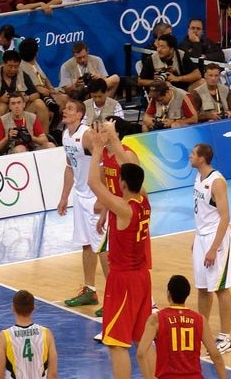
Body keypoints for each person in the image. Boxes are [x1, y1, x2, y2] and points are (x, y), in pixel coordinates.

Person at [86, 153, 152, 379]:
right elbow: (131, 172)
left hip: (124, 279)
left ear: (122, 183)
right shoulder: (144, 200)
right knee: (143, 338)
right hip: (142, 276)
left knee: (116, 343)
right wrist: (114, 141)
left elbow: (93, 183)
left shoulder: (124, 209)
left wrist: (96, 150)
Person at [189, 143, 231, 355]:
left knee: (220, 287)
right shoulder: (198, 178)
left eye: (193, 154)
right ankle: (203, 330)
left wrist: (213, 247)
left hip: (215, 239)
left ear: (202, 158)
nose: (190, 157)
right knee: (202, 287)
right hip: (201, 237)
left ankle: (225, 337)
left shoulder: (216, 182)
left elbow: (225, 217)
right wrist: (197, 239)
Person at [58, 100, 107, 315]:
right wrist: (64, 197)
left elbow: (104, 165)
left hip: (94, 197)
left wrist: (102, 198)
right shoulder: (66, 134)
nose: (64, 111)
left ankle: (113, 297)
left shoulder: (87, 135)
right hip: (80, 197)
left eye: (69, 108)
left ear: (79, 114)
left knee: (104, 248)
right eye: (65, 108)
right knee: (86, 245)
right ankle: (90, 290)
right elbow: (70, 167)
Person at [136, 275, 228, 379]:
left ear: (168, 294)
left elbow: (141, 353)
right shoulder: (200, 319)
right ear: (187, 294)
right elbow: (216, 356)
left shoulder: (157, 319)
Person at [0, 290, 58, 379]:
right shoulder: (46, 333)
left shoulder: (4, 336)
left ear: (13, 308)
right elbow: (52, 375)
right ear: (34, 308)